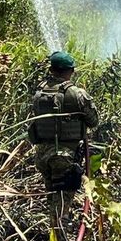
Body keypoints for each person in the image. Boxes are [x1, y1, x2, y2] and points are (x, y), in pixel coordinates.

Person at [28, 51, 99, 230]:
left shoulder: (39, 93)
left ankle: (53, 239)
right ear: (71, 71)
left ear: (51, 70)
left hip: (42, 155)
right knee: (62, 202)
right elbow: (93, 121)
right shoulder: (76, 94)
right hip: (64, 156)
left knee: (53, 198)